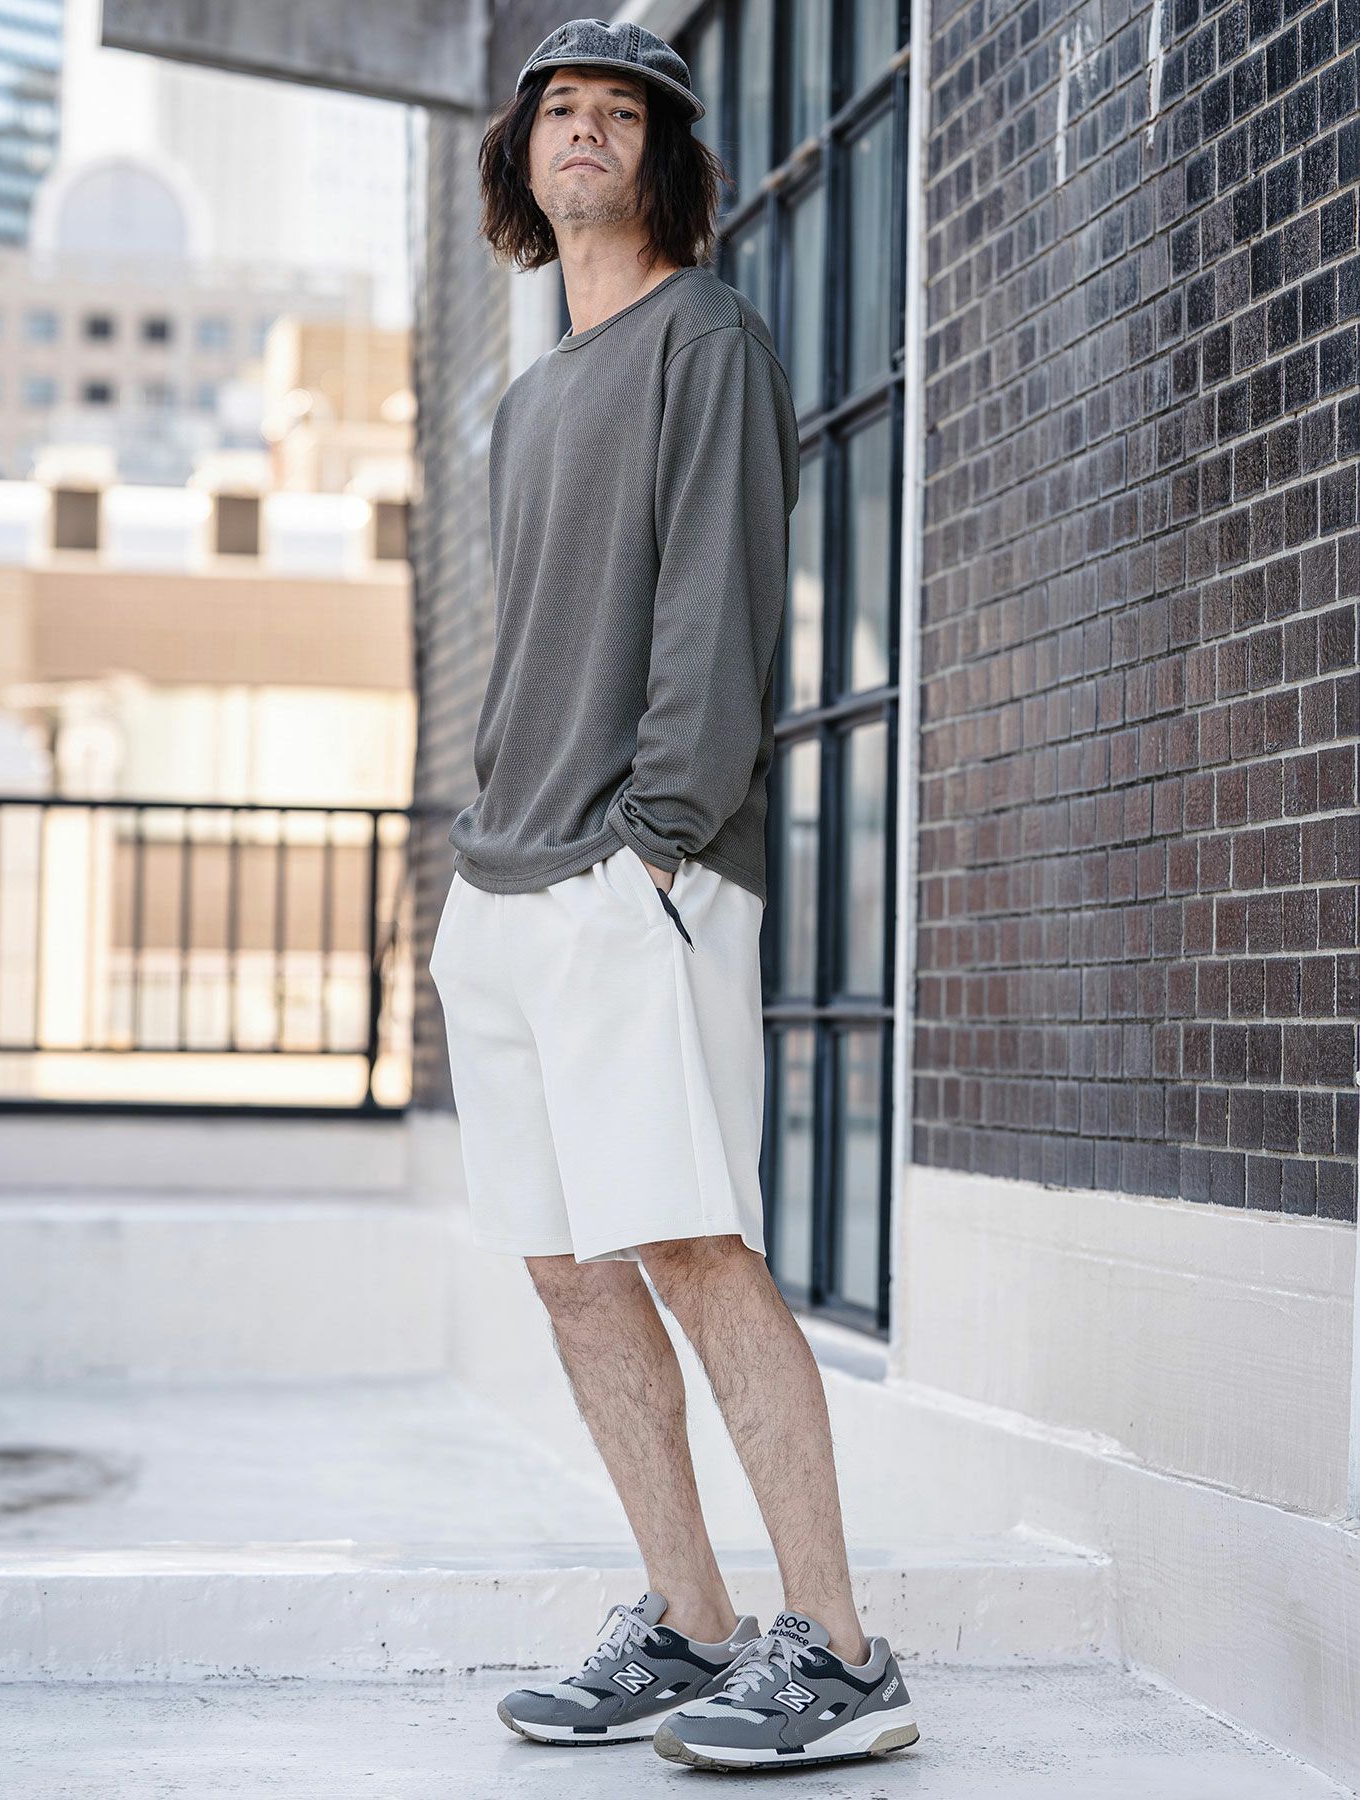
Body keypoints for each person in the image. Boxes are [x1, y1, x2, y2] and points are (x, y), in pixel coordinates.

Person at [427, 17, 920, 1772]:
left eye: (619, 113)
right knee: (572, 1271)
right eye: (557, 108)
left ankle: (841, 1655)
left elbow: (719, 607)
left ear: (663, 158)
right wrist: (486, 859)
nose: (584, 131)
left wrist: (657, 839)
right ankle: (692, 1619)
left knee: (698, 1251)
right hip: (506, 888)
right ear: (521, 155)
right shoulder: (527, 400)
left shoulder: (704, 335)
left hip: (640, 879)